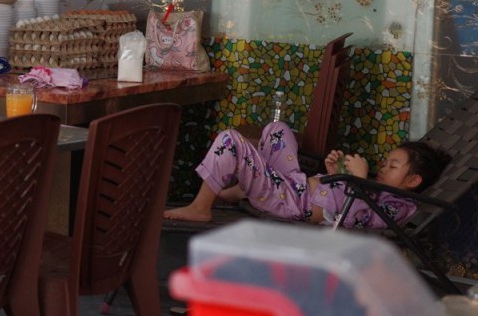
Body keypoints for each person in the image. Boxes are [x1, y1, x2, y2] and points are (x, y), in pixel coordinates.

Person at [163, 121, 450, 229]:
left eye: (393, 165)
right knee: (278, 130)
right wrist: (337, 173)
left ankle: (202, 207)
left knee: (230, 139)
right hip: (294, 185)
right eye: (386, 162)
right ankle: (244, 187)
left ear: (413, 181)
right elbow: (341, 195)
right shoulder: (381, 189)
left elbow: (351, 219)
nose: (383, 167)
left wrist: (358, 181)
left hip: (290, 202)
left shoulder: (396, 207)